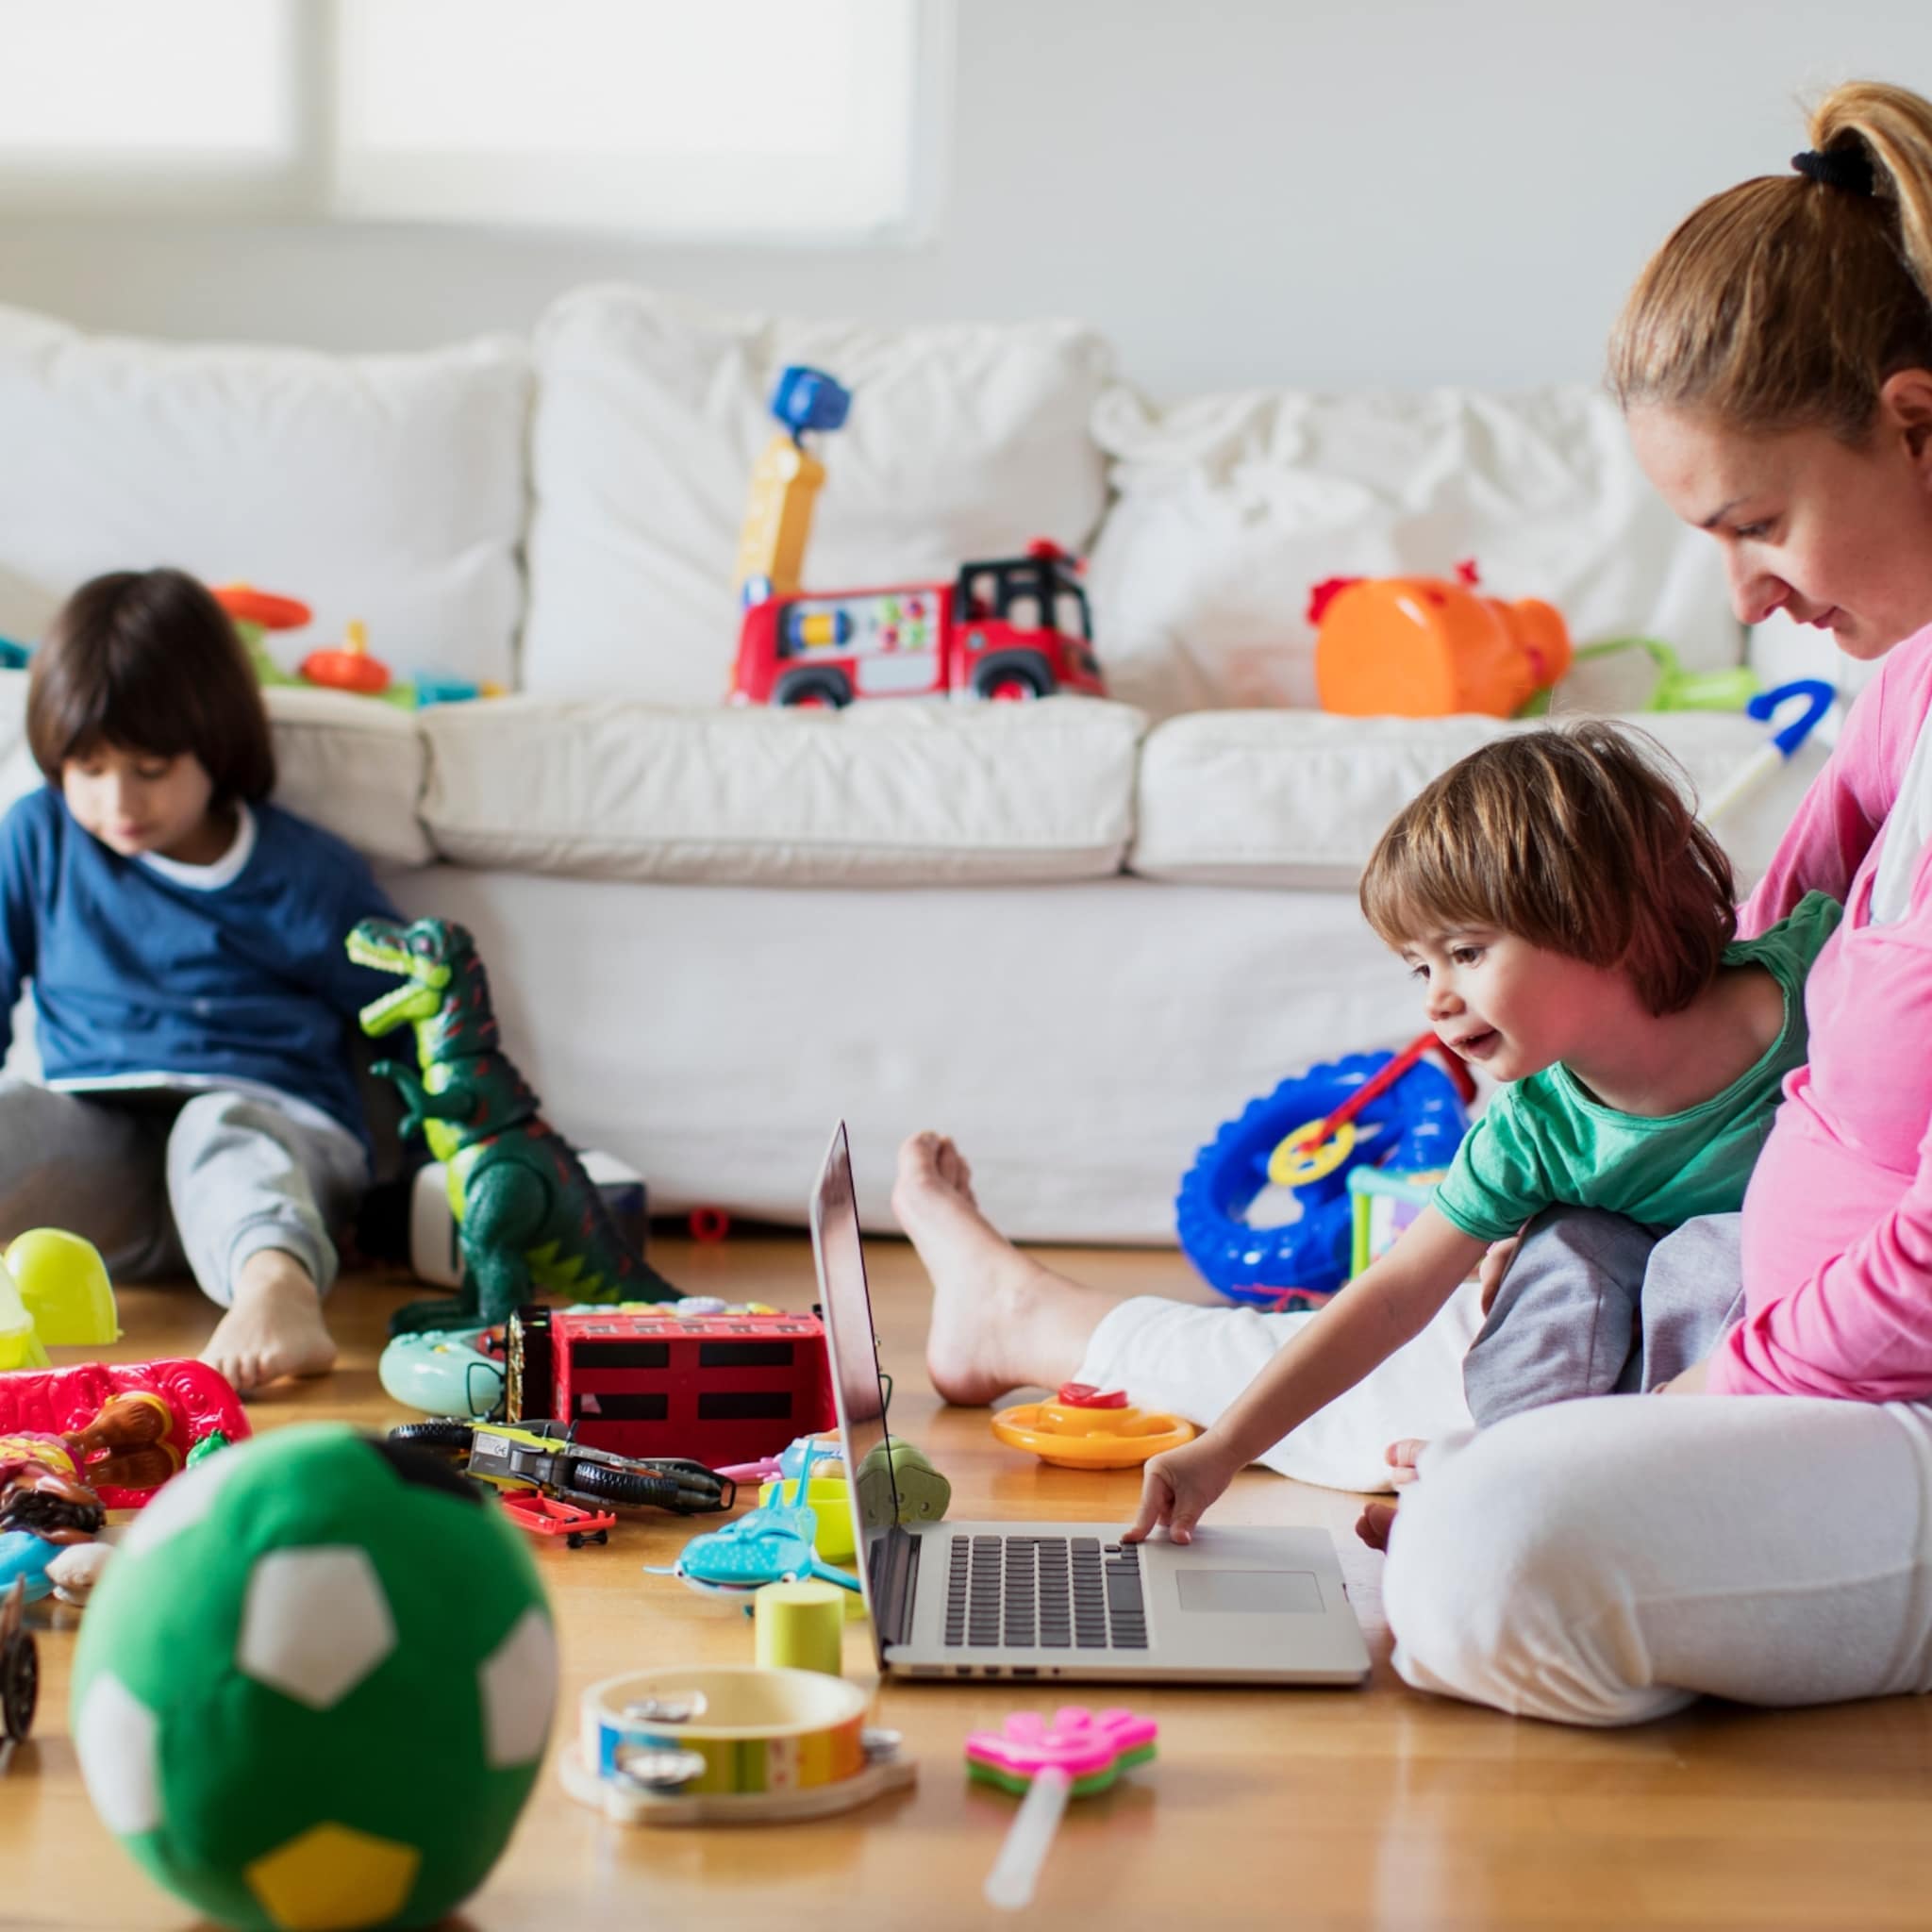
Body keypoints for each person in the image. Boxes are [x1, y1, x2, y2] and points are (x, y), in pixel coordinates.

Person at [899, 78, 1932, 1724]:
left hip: (1835, 1384)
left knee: (1471, 1517)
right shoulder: (1904, 687)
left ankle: (1059, 1324)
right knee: (1458, 1352)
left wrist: (1691, 1406)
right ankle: (1030, 1313)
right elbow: (1767, 901)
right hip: (1746, 1368)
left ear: (1914, 421)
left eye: (1757, 524)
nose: (1748, 593)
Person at [0, 568, 400, 1393]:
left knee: (217, 1125)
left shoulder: (310, 873)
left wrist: (411, 1187)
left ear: (213, 747)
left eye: (149, 768)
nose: (119, 800)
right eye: (89, 770)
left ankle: (276, 1289)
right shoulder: (38, 836)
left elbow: (410, 1027)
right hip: (106, 1147)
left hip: (270, 1146)